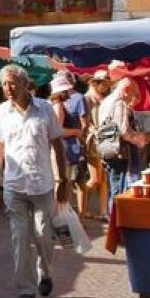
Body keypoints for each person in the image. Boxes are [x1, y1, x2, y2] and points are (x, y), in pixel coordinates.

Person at [0, 64, 69, 298]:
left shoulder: (45, 109)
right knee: (20, 238)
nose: (8, 88)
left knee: (43, 235)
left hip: (42, 184)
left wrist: (63, 180)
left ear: (26, 84)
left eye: (12, 83)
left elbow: (57, 145)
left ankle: (45, 272)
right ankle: (25, 289)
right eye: (4, 84)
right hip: (14, 185)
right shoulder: (1, 113)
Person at [97, 77, 150, 213]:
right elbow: (124, 131)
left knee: (114, 185)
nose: (135, 97)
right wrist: (140, 140)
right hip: (119, 151)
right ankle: (118, 221)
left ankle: (114, 219)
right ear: (127, 90)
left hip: (107, 149)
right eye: (135, 93)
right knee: (120, 189)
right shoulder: (119, 103)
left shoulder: (106, 101)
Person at [49, 72, 88, 208]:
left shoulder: (49, 105)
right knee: (63, 183)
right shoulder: (58, 106)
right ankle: (63, 214)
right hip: (63, 149)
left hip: (56, 149)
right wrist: (76, 132)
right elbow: (58, 131)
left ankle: (62, 212)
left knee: (62, 182)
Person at [80, 71, 112, 219]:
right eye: (102, 83)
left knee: (104, 179)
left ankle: (103, 211)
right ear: (95, 83)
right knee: (95, 178)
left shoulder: (107, 98)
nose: (105, 86)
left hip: (105, 139)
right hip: (92, 141)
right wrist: (94, 130)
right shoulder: (87, 98)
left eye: (107, 83)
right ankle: (82, 208)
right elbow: (85, 122)